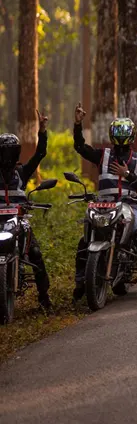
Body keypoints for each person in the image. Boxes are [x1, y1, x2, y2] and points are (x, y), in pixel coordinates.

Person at [72, 107, 137, 300]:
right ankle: (80, 283)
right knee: (84, 241)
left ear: (131, 135)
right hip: (103, 206)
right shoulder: (102, 155)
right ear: (112, 135)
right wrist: (78, 123)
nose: (120, 137)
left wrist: (127, 174)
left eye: (124, 133)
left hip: (129, 206)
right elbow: (80, 146)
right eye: (117, 133)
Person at [0, 111, 52, 311]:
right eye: (3, 152)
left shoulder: (21, 173)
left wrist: (43, 131)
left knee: (36, 253)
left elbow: (40, 154)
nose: (7, 157)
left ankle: (44, 297)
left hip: (19, 223)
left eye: (10, 152)